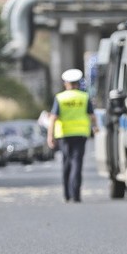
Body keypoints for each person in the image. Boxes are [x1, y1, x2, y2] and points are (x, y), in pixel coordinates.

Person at [47, 69, 98, 203]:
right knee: (77, 163)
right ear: (78, 83)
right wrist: (95, 128)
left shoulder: (60, 98)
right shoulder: (84, 97)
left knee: (66, 163)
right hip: (80, 134)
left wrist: (50, 136)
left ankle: (67, 194)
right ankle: (76, 194)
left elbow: (52, 118)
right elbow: (92, 116)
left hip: (63, 135)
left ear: (66, 83)